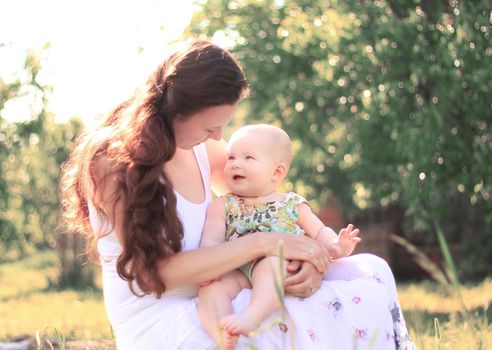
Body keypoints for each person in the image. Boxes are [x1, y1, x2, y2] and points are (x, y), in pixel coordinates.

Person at [61, 39, 415, 350]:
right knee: (320, 317)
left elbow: (264, 202)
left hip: (224, 292)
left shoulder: (204, 149)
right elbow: (154, 275)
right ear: (176, 111)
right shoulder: (112, 160)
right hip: (162, 322)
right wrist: (264, 244)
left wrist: (307, 265)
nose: (218, 138)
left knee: (370, 272)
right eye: (210, 126)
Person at [198, 124, 362, 348]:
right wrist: (209, 267)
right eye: (232, 157)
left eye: (248, 158)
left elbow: (319, 231)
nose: (236, 163)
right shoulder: (223, 205)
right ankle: (221, 333)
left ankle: (251, 317)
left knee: (269, 265)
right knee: (212, 287)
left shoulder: (291, 203)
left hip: (279, 265)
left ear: (276, 172)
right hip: (239, 269)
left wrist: (336, 245)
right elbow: (211, 239)